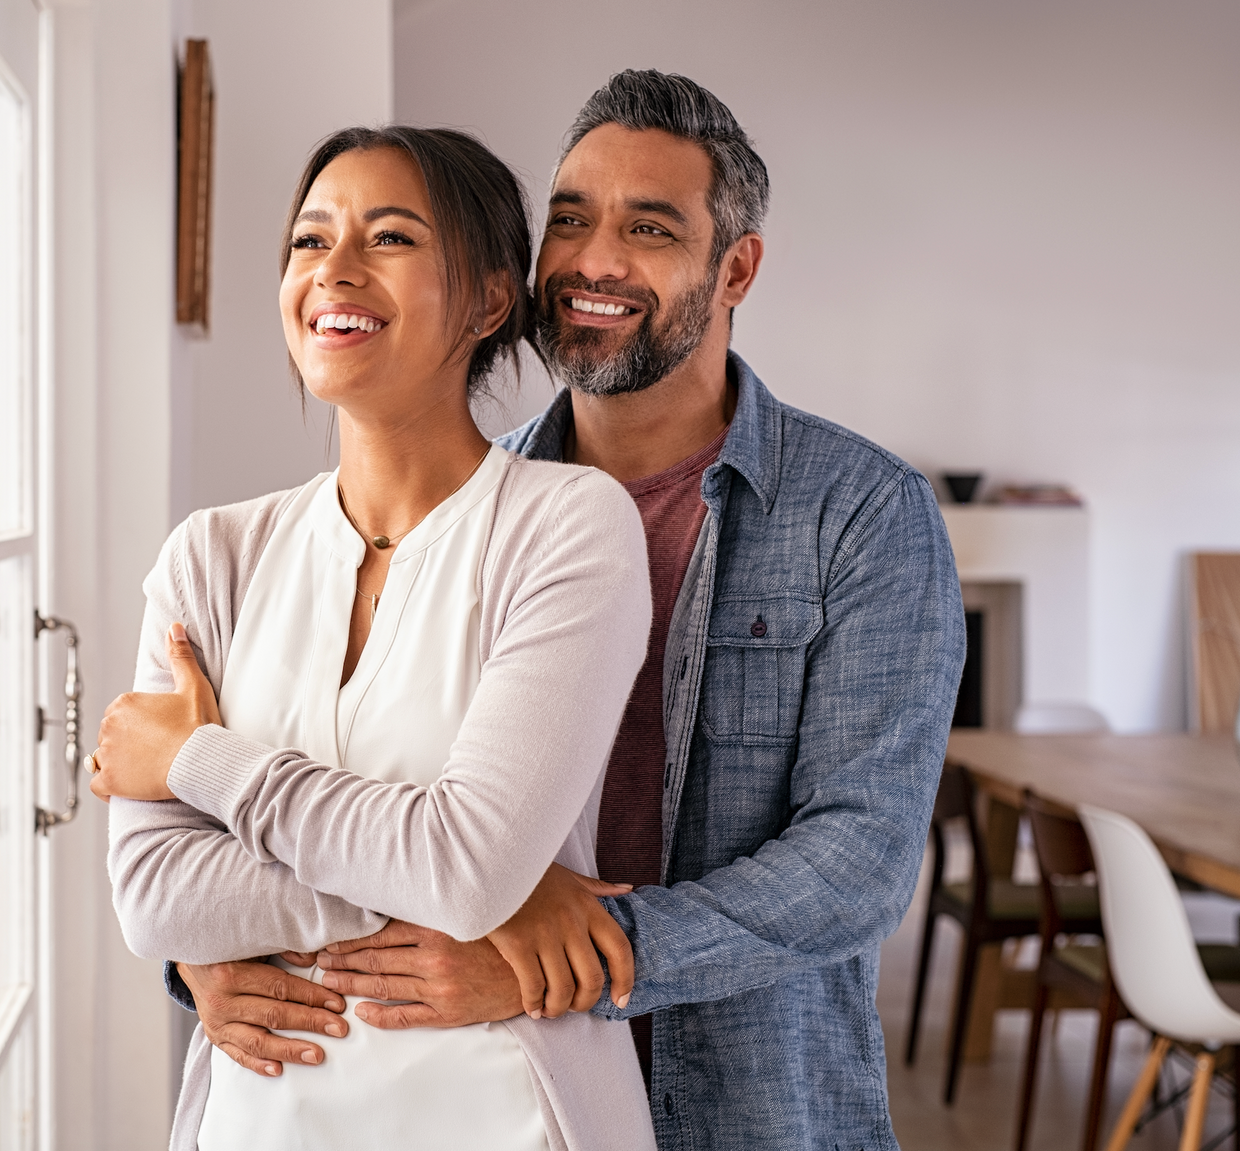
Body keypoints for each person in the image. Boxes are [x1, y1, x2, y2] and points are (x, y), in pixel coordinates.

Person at [171, 71, 965, 1150]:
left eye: (649, 228)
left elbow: (860, 858)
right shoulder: (461, 511)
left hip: (752, 1106)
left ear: (737, 267)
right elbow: (350, 797)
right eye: (571, 221)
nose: (595, 262)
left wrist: (589, 950)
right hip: (482, 1095)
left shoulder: (860, 512)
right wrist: (204, 955)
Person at [91, 126, 659, 1150]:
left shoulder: (569, 526)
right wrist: (470, 888)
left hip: (507, 1117)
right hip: (255, 1122)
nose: (333, 271)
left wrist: (194, 761)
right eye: (309, 242)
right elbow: (153, 899)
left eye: (388, 238)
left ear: (490, 299)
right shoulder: (209, 558)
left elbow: (467, 865)